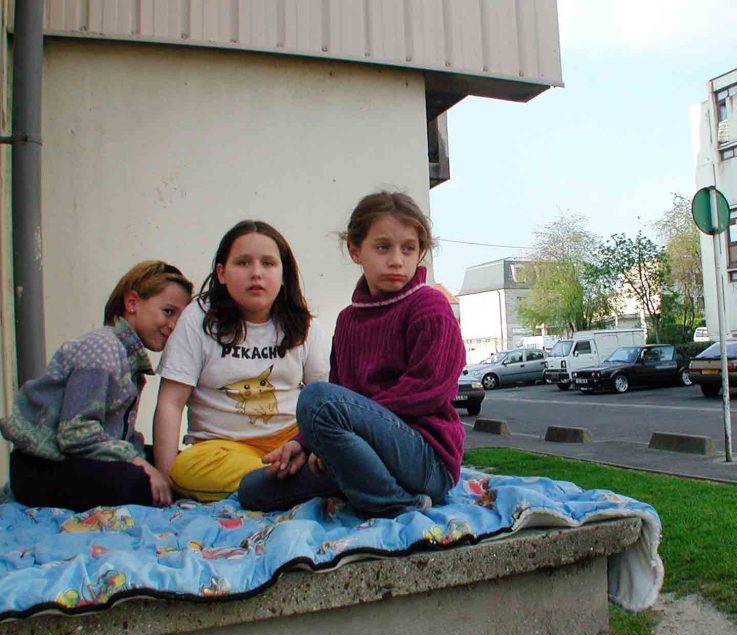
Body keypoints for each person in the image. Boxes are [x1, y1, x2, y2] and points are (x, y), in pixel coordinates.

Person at [237, 191, 465, 517]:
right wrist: (304, 443)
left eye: (408, 248)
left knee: (315, 398)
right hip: (365, 453)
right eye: (383, 247)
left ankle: (397, 505)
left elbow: (427, 391)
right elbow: (343, 392)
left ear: (421, 252)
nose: (397, 260)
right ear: (355, 250)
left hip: (426, 460)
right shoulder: (347, 320)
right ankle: (365, 485)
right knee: (253, 489)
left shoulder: (429, 307)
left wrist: (344, 429)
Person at [153, 220, 330, 502]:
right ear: (222, 273)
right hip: (223, 451)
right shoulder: (197, 318)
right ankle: (299, 484)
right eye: (243, 263)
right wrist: (164, 478)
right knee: (186, 468)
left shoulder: (303, 324)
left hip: (293, 442)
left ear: (284, 274)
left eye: (268, 264)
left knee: (343, 444)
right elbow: (170, 403)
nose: (256, 273)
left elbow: (325, 399)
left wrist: (311, 447)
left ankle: (280, 484)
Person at [1, 261, 193, 511]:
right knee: (138, 483)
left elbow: (117, 435)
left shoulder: (128, 358)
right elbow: (75, 434)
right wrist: (142, 465)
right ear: (132, 303)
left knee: (180, 468)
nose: (174, 325)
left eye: (181, 317)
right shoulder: (102, 348)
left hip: (82, 458)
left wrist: (153, 463)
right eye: (168, 312)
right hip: (42, 465)